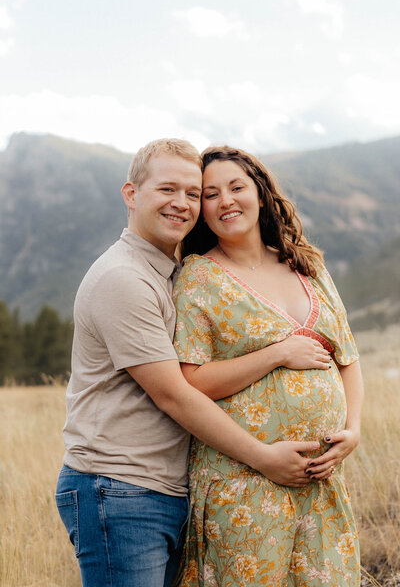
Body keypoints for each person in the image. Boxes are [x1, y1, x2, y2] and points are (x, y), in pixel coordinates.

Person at [55, 138, 329, 587]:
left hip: (162, 489)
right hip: (120, 489)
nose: (181, 204)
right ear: (131, 194)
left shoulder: (170, 272)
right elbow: (175, 394)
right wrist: (264, 458)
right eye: (166, 190)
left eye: (192, 193)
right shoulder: (124, 278)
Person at [173, 145, 364, 586]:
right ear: (200, 210)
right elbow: (191, 382)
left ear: (260, 193)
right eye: (210, 194)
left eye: (236, 187)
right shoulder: (197, 279)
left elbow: (348, 359)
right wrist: (277, 353)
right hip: (244, 482)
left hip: (320, 481)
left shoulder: (306, 265)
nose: (226, 201)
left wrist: (352, 431)